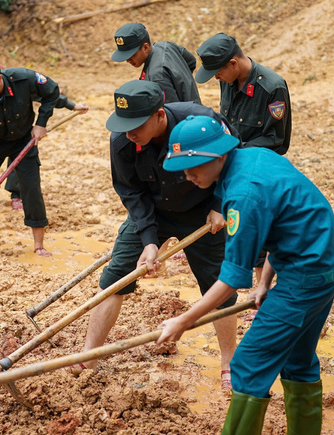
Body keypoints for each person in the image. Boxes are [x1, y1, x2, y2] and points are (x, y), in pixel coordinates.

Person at [157, 115, 334, 435]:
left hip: (305, 277)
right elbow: (286, 224)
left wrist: (183, 320)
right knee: (299, 357)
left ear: (218, 156)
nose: (188, 176)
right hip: (324, 265)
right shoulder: (253, 158)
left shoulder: (244, 193)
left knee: (248, 364)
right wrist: (265, 285)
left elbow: (231, 279)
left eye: (194, 167)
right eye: (182, 169)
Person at [71, 80, 238, 388]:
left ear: (160, 115)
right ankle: (88, 354)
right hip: (152, 211)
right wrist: (149, 240)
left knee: (218, 283)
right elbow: (131, 192)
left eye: (136, 126)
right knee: (116, 275)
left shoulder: (199, 123)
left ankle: (230, 360)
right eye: (124, 125)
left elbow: (231, 157)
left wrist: (220, 203)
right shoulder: (122, 141)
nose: (129, 133)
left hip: (203, 211)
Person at [0, 55, 82, 259]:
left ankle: (38, 245)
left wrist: (41, 123)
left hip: (22, 139)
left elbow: (51, 93)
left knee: (31, 188)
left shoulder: (23, 79)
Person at [195, 32, 294, 282]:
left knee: (259, 229)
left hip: (258, 166)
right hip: (231, 164)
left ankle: (261, 290)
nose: (215, 78)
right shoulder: (226, 80)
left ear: (233, 64)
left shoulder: (272, 87)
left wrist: (236, 150)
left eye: (217, 72)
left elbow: (277, 140)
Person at [5, 94, 89, 211]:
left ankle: (17, 195)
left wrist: (72, 106)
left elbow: (47, 94)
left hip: (18, 128)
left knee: (22, 155)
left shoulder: (20, 80)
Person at [111, 22, 200, 104]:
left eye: (131, 55)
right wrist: (182, 84)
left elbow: (171, 111)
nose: (128, 60)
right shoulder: (165, 46)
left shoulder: (157, 75)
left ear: (145, 47)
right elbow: (191, 61)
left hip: (188, 119)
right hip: (196, 109)